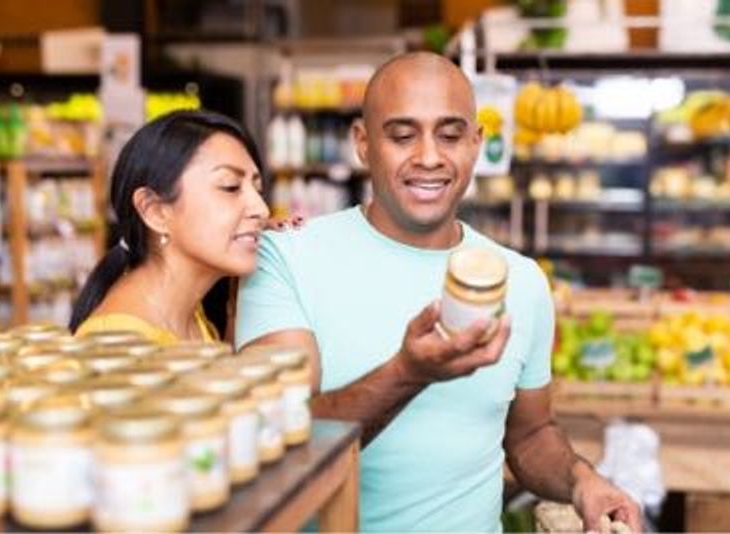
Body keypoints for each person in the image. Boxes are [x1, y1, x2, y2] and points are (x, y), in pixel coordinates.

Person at [235, 52, 641, 532]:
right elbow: (279, 441)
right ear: (363, 144)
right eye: (402, 135)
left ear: (476, 144)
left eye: (450, 135)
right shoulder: (286, 258)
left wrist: (581, 480)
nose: (429, 156)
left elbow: (531, 435)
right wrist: (408, 373)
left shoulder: (524, 280)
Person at [70, 109, 269, 344]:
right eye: (230, 187)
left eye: (258, 190)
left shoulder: (188, 313)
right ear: (154, 211)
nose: (262, 210)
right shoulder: (119, 345)